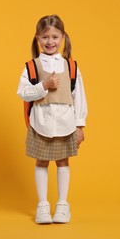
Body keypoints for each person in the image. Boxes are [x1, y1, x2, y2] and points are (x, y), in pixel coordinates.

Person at [17, 14, 87, 224]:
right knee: (41, 162)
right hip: (41, 123)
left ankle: (63, 205)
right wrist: (43, 86)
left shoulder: (71, 66)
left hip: (65, 124)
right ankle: (43, 206)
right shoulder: (32, 66)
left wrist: (80, 125)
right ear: (38, 38)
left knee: (63, 161)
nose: (50, 42)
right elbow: (23, 93)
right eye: (45, 37)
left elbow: (79, 96)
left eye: (55, 37)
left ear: (63, 37)